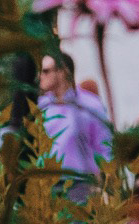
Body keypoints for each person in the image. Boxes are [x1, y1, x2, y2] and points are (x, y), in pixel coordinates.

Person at [37, 54, 112, 199]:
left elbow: (104, 145)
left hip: (81, 183)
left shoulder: (89, 105)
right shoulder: (40, 106)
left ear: (63, 72)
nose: (40, 76)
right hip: (46, 184)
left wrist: (106, 181)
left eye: (46, 71)